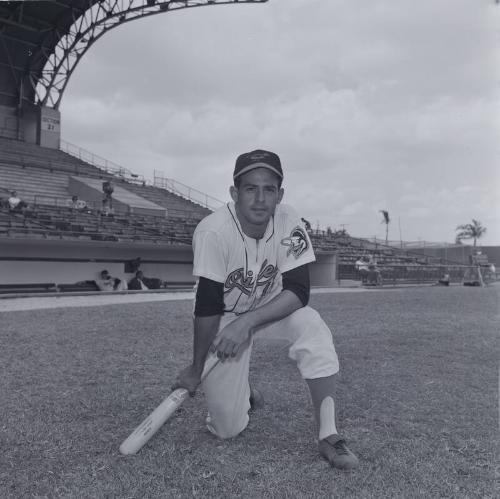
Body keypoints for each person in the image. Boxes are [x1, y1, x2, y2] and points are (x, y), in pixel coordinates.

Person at [173, 149, 358, 470]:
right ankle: (243, 395)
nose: (260, 198)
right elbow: (206, 305)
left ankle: (329, 434)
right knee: (227, 430)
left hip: (273, 307)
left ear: (280, 194)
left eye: (269, 189)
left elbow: (299, 291)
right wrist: (195, 368)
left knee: (311, 326)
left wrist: (248, 323)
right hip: (224, 315)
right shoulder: (212, 231)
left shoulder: (289, 220)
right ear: (234, 193)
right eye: (250, 188)